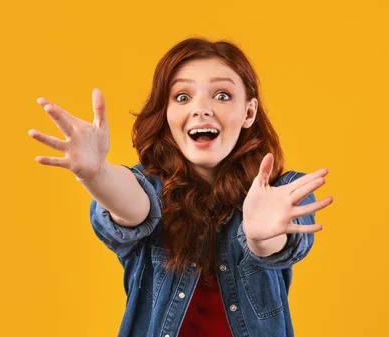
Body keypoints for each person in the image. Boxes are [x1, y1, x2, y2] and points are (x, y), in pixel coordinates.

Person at [28, 37, 333, 337]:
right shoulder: (150, 189)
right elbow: (135, 208)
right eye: (182, 97)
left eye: (222, 96)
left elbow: (278, 247)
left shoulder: (283, 192)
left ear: (248, 112)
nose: (201, 109)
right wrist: (96, 175)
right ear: (167, 114)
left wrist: (261, 237)